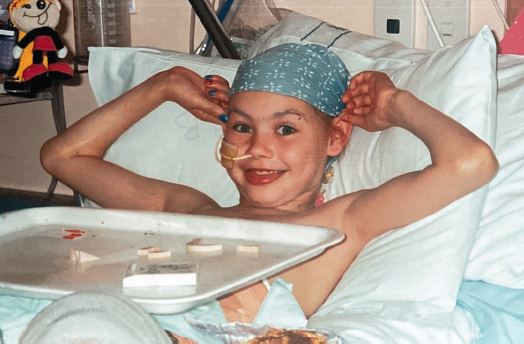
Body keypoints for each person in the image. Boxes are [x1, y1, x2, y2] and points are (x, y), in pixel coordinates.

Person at [40, 43, 498, 327]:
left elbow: (469, 163)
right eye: (241, 127)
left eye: (285, 130)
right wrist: (161, 86)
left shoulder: (339, 223)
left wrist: (395, 104)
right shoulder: (187, 208)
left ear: (336, 137)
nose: (258, 149)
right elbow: (63, 157)